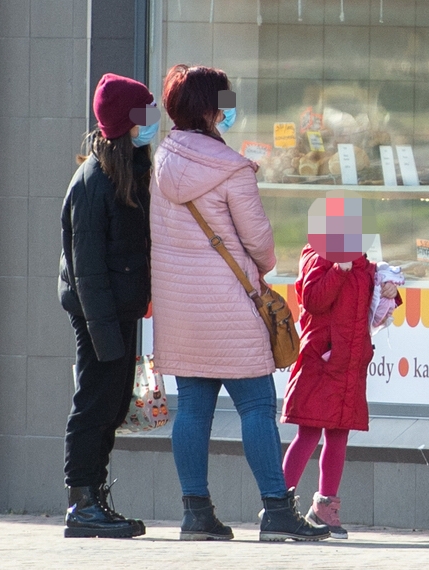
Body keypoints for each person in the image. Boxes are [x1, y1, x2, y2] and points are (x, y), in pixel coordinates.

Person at [149, 64, 329, 542]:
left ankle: (196, 513)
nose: (230, 111)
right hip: (231, 306)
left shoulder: (162, 161)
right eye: (225, 102)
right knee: (255, 405)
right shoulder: (230, 168)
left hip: (181, 310)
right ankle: (275, 508)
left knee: (191, 410)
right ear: (209, 109)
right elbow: (261, 245)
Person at [58, 73, 159, 538]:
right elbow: (88, 269)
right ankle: (81, 503)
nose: (150, 123)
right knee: (94, 404)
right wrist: (105, 336)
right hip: (100, 316)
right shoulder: (93, 181)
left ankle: (95, 497)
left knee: (114, 405)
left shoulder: (128, 171)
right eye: (142, 115)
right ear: (124, 122)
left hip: (121, 312)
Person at [280, 244, 400, 539]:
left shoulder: (365, 265)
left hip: (349, 364)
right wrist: (338, 270)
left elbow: (374, 308)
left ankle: (325, 506)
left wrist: (391, 293)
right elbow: (312, 301)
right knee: (308, 432)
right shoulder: (317, 257)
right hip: (321, 361)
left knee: (339, 433)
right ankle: (278, 504)